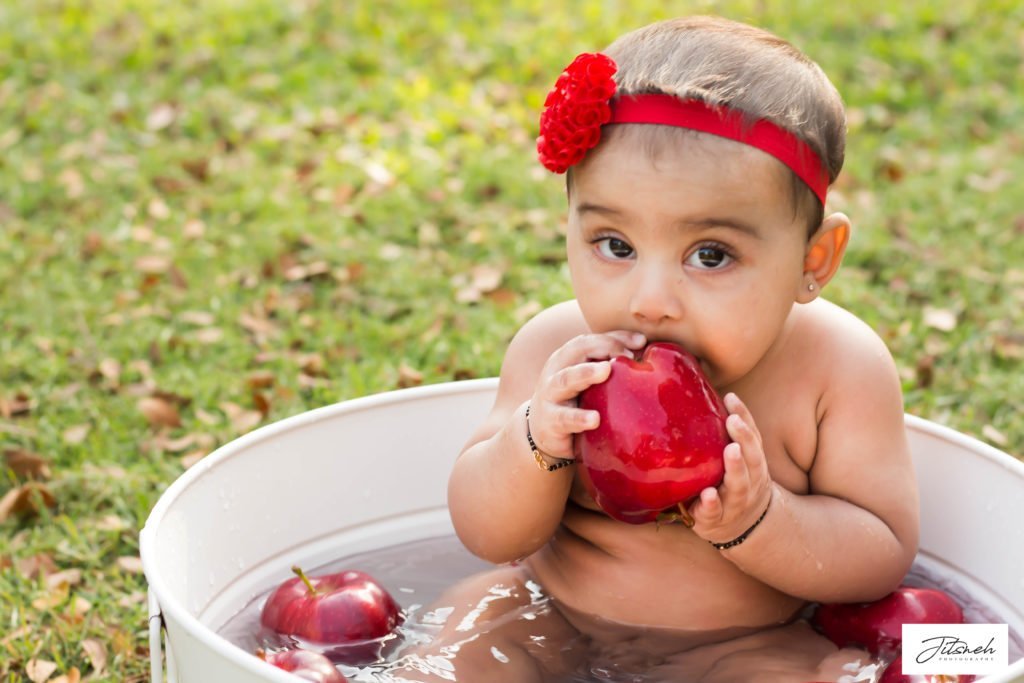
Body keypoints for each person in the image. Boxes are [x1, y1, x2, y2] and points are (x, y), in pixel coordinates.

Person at [396, 15, 920, 683]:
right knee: (456, 646)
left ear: (813, 259)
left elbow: (882, 551)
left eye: (710, 255)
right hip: (545, 615)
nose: (650, 298)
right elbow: (489, 535)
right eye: (614, 245)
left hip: (742, 645)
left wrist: (762, 520)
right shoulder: (558, 351)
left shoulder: (835, 370)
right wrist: (535, 442)